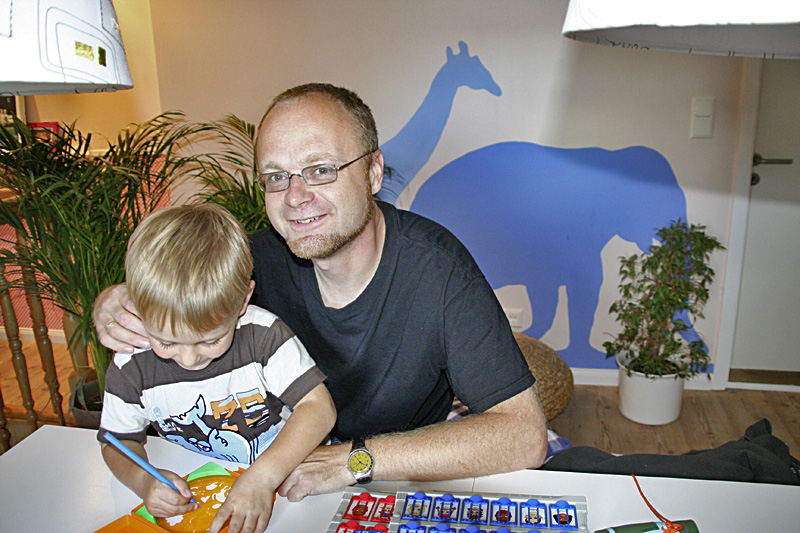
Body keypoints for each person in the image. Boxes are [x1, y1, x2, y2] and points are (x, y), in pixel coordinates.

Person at [94, 83, 548, 502]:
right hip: (268, 485)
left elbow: (524, 436)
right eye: (276, 176)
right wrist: (113, 300)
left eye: (320, 170)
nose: (294, 196)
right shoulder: (254, 261)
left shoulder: (438, 270)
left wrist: (354, 460)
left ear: (373, 172)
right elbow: (177, 284)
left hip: (388, 483)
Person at [98, 204, 336, 533]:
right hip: (202, 494)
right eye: (166, 342)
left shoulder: (263, 336)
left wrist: (261, 479)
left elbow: (318, 408)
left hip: (287, 483)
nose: (189, 358)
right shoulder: (132, 362)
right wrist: (144, 483)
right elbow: (117, 443)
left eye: (209, 341)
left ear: (242, 300)